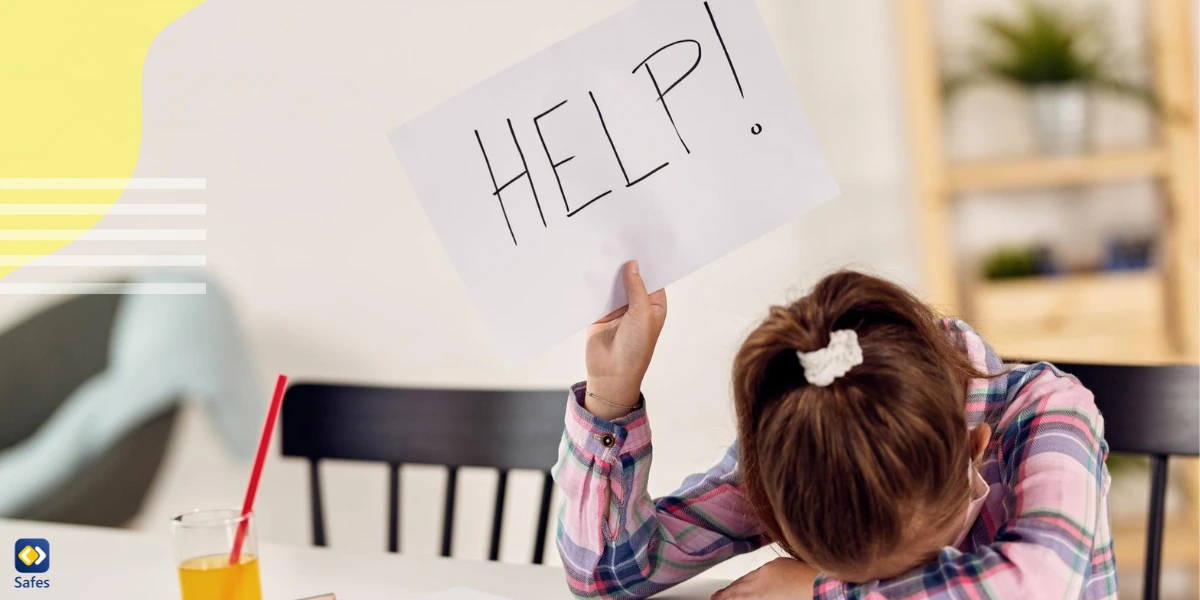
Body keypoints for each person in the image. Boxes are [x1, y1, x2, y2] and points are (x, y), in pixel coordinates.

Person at [553, 261, 1115, 599]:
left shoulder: (1047, 412)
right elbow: (609, 571)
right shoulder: (807, 451)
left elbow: (1036, 585)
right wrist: (611, 393)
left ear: (973, 449)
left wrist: (826, 588)